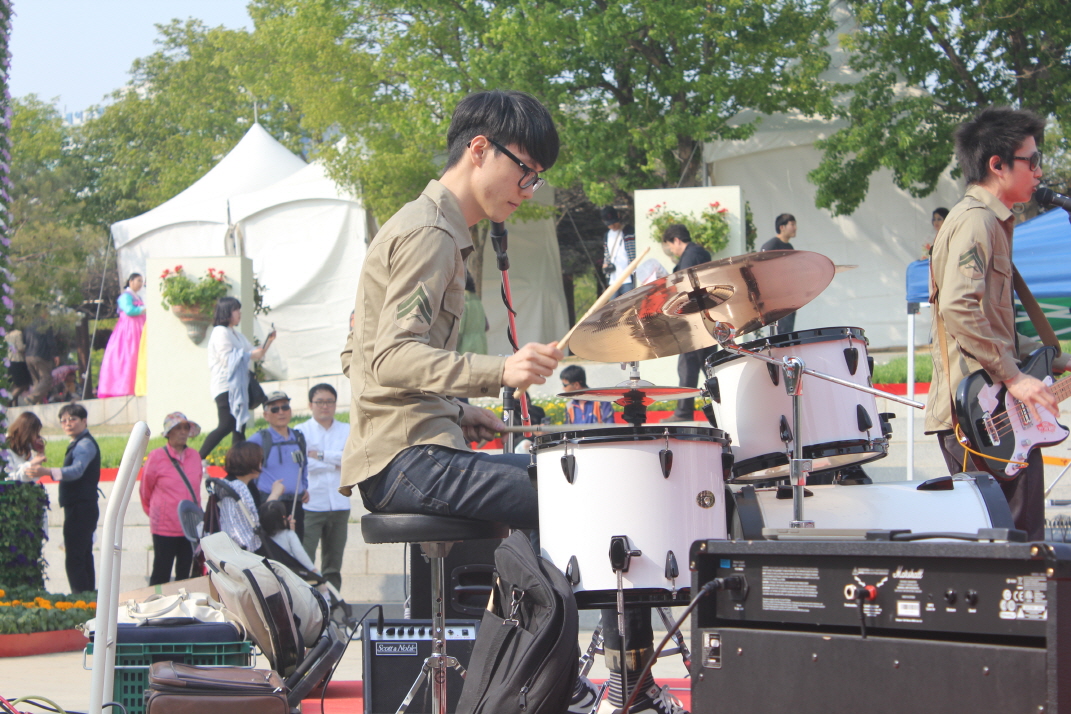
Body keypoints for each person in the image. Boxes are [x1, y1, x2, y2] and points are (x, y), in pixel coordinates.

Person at [926, 106, 1069, 541]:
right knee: (1012, 549)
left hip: (996, 411)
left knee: (1018, 542)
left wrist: (1049, 361)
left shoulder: (989, 221)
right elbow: (958, 307)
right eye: (1032, 160)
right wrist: (1014, 377)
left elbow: (992, 324)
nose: (1039, 172)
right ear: (997, 164)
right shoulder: (976, 221)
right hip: (981, 417)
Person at [26, 403, 100, 593]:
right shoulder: (79, 442)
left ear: (84, 421)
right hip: (80, 507)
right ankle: (88, 598)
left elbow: (76, 471)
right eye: (63, 420)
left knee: (75, 557)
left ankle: (81, 598)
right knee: (82, 555)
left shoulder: (84, 444)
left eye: (72, 419)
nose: (67, 423)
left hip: (81, 508)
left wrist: (47, 471)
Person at [199, 297, 277, 460]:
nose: (239, 313)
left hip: (239, 387)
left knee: (239, 426)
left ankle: (238, 463)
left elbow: (256, 353)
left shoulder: (237, 335)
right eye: (236, 310)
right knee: (227, 424)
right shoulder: (220, 332)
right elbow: (228, 359)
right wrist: (250, 354)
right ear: (226, 312)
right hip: (226, 387)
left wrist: (268, 342)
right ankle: (198, 457)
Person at [295, 383, 350, 590]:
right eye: (319, 402)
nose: (325, 406)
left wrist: (319, 454)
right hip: (312, 504)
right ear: (310, 405)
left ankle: (334, 602)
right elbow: (303, 464)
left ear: (336, 404)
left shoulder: (347, 430)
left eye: (329, 401)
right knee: (305, 559)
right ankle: (307, 600)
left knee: (333, 563)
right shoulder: (300, 431)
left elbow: (350, 460)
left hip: (340, 503)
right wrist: (335, 461)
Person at [140, 412, 204, 585]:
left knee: (186, 574)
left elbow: (197, 487)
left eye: (186, 428)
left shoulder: (195, 456)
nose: (183, 432)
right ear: (168, 432)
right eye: (178, 428)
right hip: (164, 526)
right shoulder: (156, 456)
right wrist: (157, 514)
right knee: (161, 572)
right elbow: (145, 490)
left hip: (189, 526)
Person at [662, 223, 714, 424]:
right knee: (710, 366)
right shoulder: (700, 253)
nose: (672, 250)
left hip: (694, 321)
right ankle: (725, 405)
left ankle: (683, 412)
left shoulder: (690, 256)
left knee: (688, 366)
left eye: (670, 246)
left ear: (676, 240)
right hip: (706, 318)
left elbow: (685, 290)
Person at [249, 391, 309, 539]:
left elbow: (303, 465)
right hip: (270, 504)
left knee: (296, 546)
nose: (281, 412)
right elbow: (243, 465)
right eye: (275, 409)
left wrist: (304, 486)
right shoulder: (258, 439)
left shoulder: (298, 437)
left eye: (285, 407)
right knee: (273, 548)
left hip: (296, 504)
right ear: (266, 415)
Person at [219, 440, 283, 553]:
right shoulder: (239, 488)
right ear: (251, 462)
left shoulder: (228, 484)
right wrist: (275, 495)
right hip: (246, 547)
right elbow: (258, 522)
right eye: (260, 460)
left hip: (231, 543)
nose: (261, 465)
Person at [97, 273, 146, 398]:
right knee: (129, 355)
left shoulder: (137, 296)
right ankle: (124, 387)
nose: (140, 284)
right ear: (131, 281)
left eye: (142, 281)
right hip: (129, 329)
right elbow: (129, 310)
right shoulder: (125, 296)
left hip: (139, 328)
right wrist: (144, 309)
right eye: (138, 280)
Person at [760, 213, 798, 335]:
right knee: (781, 335)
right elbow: (762, 271)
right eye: (792, 224)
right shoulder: (771, 246)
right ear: (782, 227)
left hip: (789, 298)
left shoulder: (789, 247)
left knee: (787, 333)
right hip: (777, 300)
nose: (795, 228)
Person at [258, 500, 318, 574]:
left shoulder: (259, 537)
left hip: (266, 572)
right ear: (281, 519)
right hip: (288, 573)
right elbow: (300, 555)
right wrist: (314, 570)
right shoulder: (289, 535)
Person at [602, 206, 636, 297]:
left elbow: (634, 252)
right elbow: (607, 254)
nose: (613, 226)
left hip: (628, 278)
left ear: (618, 216)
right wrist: (605, 265)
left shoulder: (629, 231)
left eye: (614, 222)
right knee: (613, 304)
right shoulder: (607, 235)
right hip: (613, 279)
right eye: (610, 224)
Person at [23, 315, 58, 405]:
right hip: (41, 356)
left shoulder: (28, 326)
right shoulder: (45, 325)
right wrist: (55, 355)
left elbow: (24, 341)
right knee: (47, 379)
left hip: (28, 356)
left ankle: (38, 403)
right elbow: (50, 342)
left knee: (37, 381)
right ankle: (32, 397)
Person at [5, 412, 46, 482]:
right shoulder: (6, 448)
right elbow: (9, 478)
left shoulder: (27, 446)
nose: (36, 437)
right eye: (35, 433)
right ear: (27, 432)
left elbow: (34, 478)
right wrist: (31, 464)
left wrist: (40, 453)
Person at [456, 272, 489, 355]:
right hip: (481, 346)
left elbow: (459, 329)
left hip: (466, 349)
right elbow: (487, 326)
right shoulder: (476, 299)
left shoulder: (462, 298)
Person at [5, 328, 32, 405]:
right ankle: (9, 400)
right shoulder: (18, 333)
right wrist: (29, 346)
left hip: (8, 360)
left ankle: (14, 404)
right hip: (18, 360)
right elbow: (20, 347)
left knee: (14, 384)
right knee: (23, 384)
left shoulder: (6, 334)